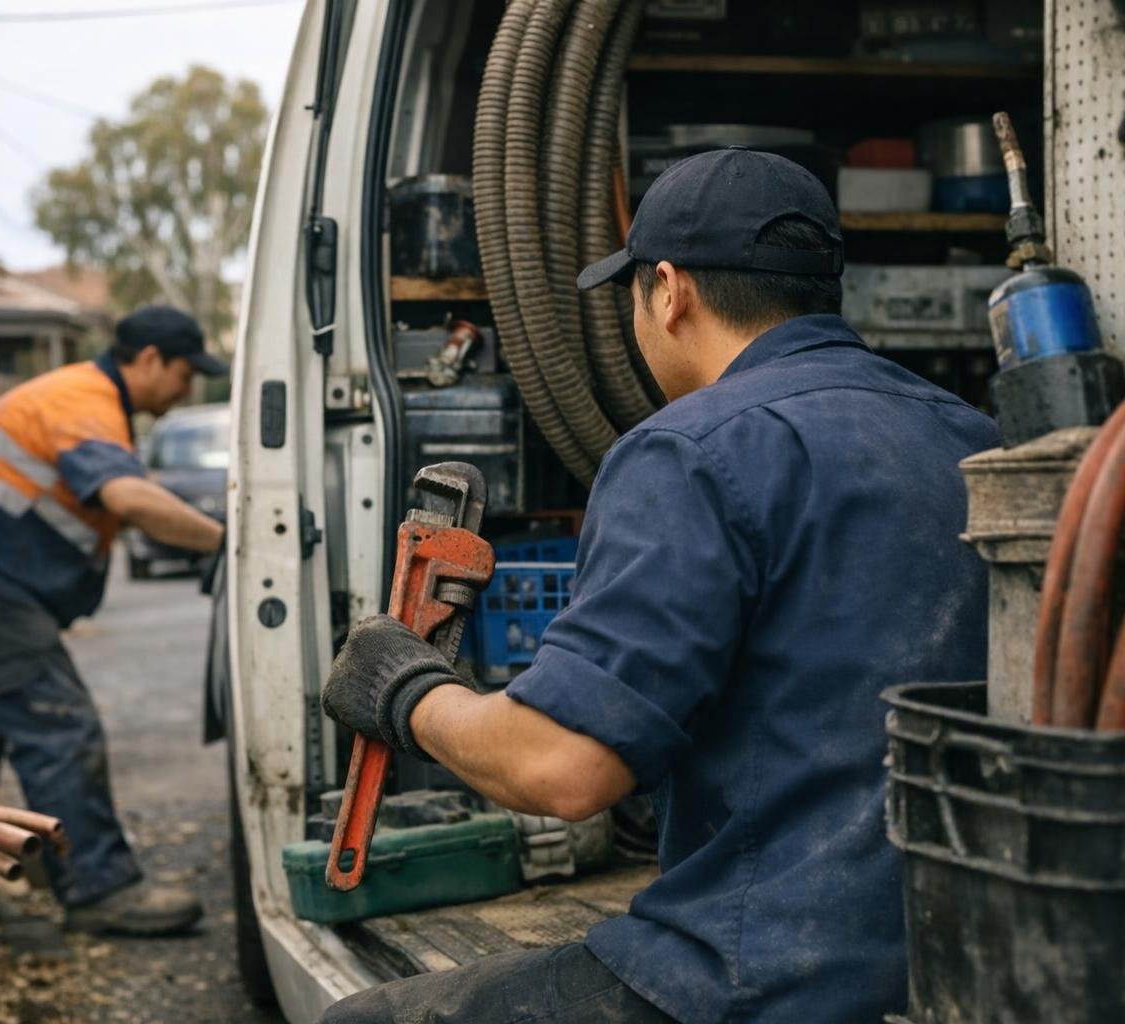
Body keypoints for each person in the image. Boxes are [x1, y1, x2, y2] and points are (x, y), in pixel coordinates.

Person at [317, 149, 999, 1023]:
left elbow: (564, 767)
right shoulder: (974, 436)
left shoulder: (692, 449)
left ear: (668, 290)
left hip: (756, 979)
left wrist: (405, 689)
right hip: (967, 958)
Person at [0, 306, 227, 936]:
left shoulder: (90, 400)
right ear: (149, 359)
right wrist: (226, 539)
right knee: (60, 724)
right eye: (185, 373)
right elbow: (127, 499)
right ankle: (99, 888)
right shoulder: (86, 400)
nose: (187, 388)